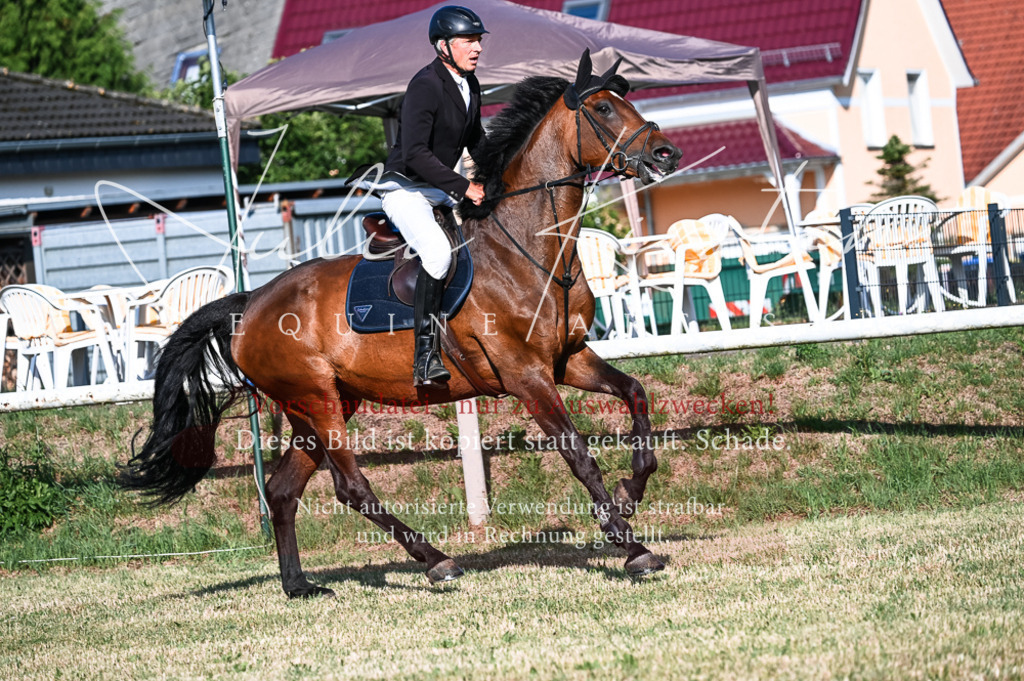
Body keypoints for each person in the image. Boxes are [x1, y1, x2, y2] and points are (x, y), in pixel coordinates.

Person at [381, 5, 488, 388]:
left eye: (478, 41)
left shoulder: (470, 84)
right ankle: (425, 358)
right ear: (443, 46)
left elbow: (476, 140)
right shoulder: (425, 85)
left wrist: (497, 175)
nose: (476, 48)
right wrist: (464, 186)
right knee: (439, 254)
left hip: (439, 191)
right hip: (407, 191)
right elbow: (415, 154)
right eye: (468, 41)